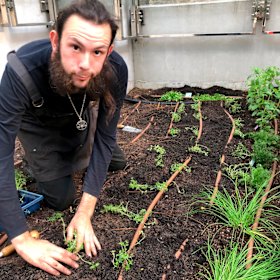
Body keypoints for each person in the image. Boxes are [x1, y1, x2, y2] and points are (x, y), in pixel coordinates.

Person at [0, 0, 128, 276]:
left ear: (109, 52)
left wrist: (86, 212)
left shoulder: (116, 69)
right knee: (62, 199)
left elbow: (106, 138)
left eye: (97, 52)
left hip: (79, 115)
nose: (85, 64)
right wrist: (21, 238)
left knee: (116, 161)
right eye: (75, 47)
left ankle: (75, 147)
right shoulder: (19, 72)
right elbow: (1, 153)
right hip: (38, 125)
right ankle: (41, 162)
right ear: (55, 41)